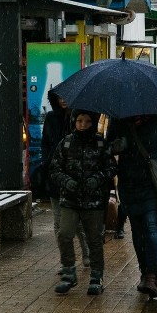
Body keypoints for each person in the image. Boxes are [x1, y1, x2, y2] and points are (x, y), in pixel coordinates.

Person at [108, 114, 157, 298]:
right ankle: (144, 272)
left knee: (151, 227)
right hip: (129, 182)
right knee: (137, 231)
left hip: (154, 182)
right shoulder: (118, 118)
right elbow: (107, 147)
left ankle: (153, 275)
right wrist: (115, 146)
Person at [49, 110, 116, 295]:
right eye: (79, 121)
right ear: (74, 122)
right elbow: (54, 169)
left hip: (93, 202)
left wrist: (97, 179)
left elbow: (111, 167)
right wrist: (66, 181)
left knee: (94, 239)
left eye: (87, 121)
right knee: (64, 234)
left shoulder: (100, 143)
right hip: (70, 200)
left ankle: (96, 276)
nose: (83, 124)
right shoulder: (67, 143)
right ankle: (69, 272)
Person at [41, 90, 91, 267]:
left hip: (74, 177)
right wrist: (47, 163)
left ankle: (86, 251)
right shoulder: (51, 118)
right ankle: (66, 261)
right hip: (55, 175)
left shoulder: (79, 119)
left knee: (75, 220)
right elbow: (45, 143)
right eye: (59, 98)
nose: (63, 101)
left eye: (66, 97)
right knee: (58, 221)